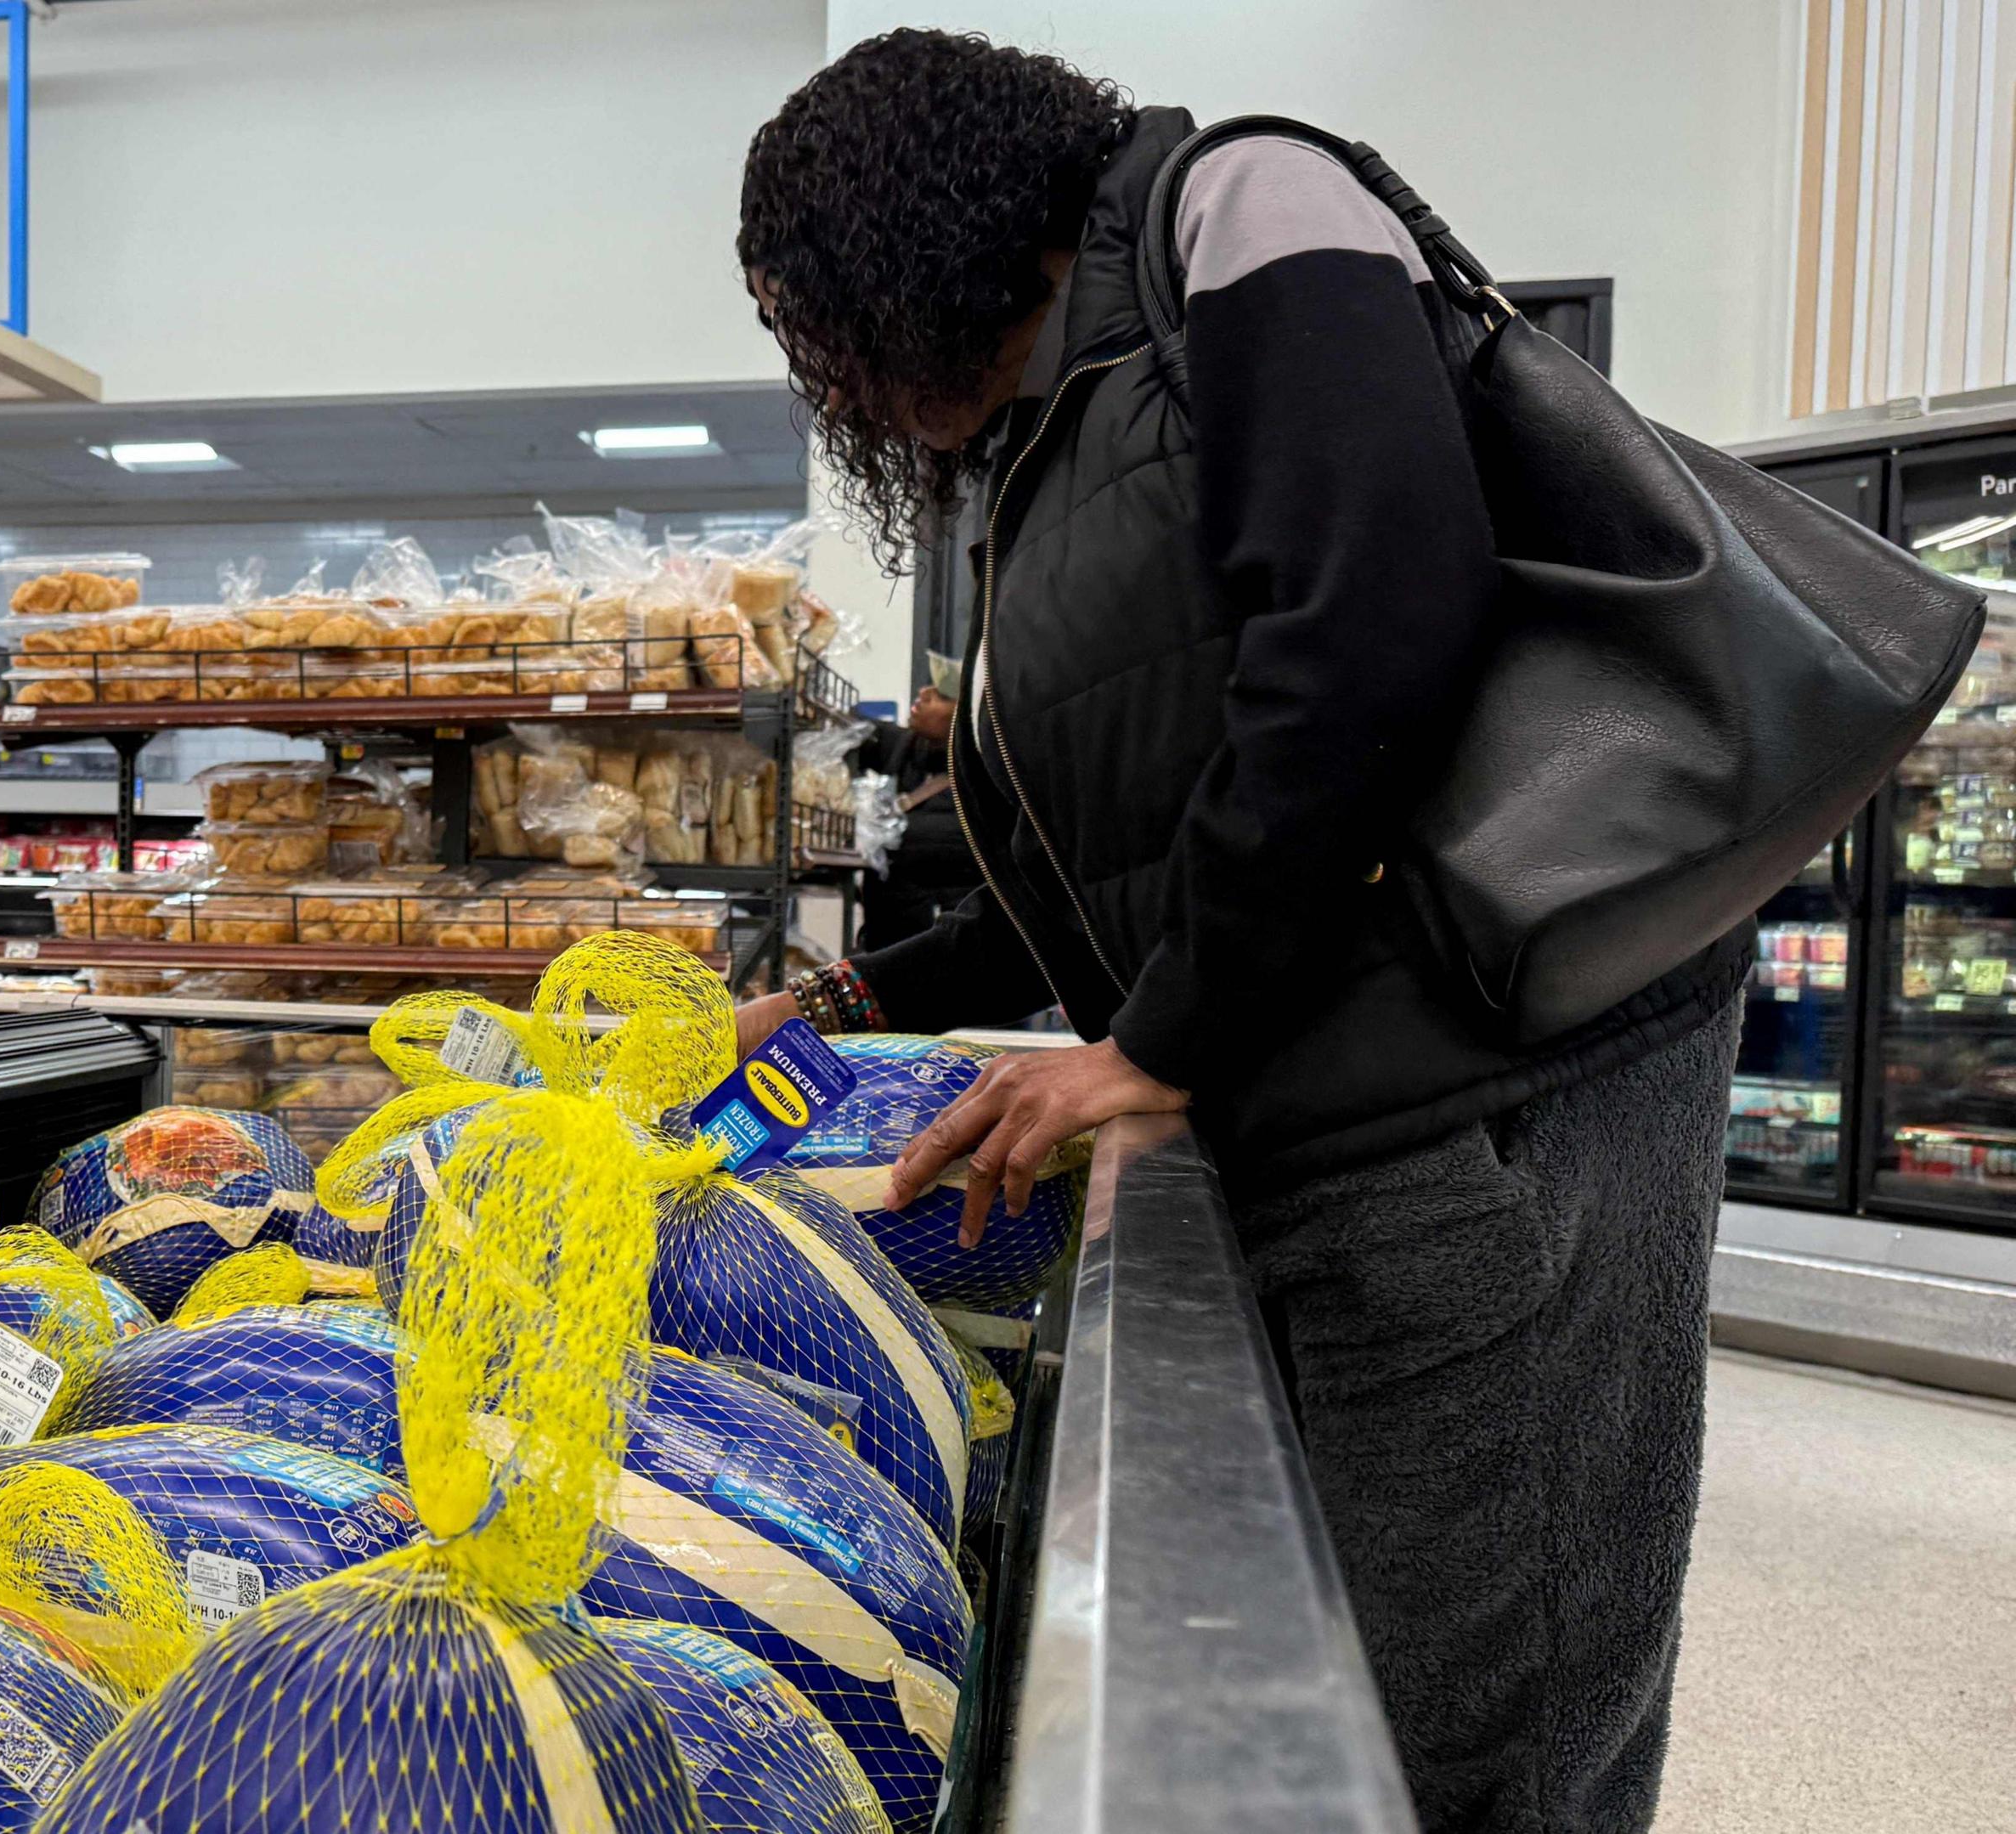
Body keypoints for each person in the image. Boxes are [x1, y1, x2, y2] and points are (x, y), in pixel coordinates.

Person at [731, 32, 1745, 1834]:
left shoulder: (1251, 210)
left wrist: (1164, 1037)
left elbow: (1369, 630)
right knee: (1367, 1649)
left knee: (1481, 1687)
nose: (846, 389)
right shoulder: (1079, 411)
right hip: (1352, 1096)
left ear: (913, 244)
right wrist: (851, 991)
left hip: (1486, 1086)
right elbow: (1124, 834)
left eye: (823, 330)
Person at [848, 657, 982, 952]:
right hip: (884, 950)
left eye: (942, 695)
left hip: (949, 957)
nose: (924, 694)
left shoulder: (983, 785)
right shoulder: (905, 749)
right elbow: (851, 727)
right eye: (929, 687)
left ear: (966, 717)